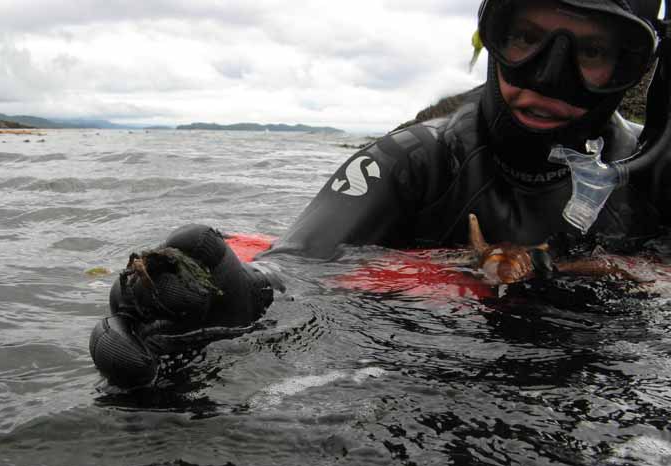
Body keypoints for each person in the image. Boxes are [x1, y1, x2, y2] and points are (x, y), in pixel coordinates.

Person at [91, 0, 669, 388]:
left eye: (590, 53)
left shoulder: (654, 177)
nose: (548, 76)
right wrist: (227, 300)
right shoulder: (411, 162)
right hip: (428, 397)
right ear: (493, 39)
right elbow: (295, 271)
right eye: (526, 40)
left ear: (636, 66)